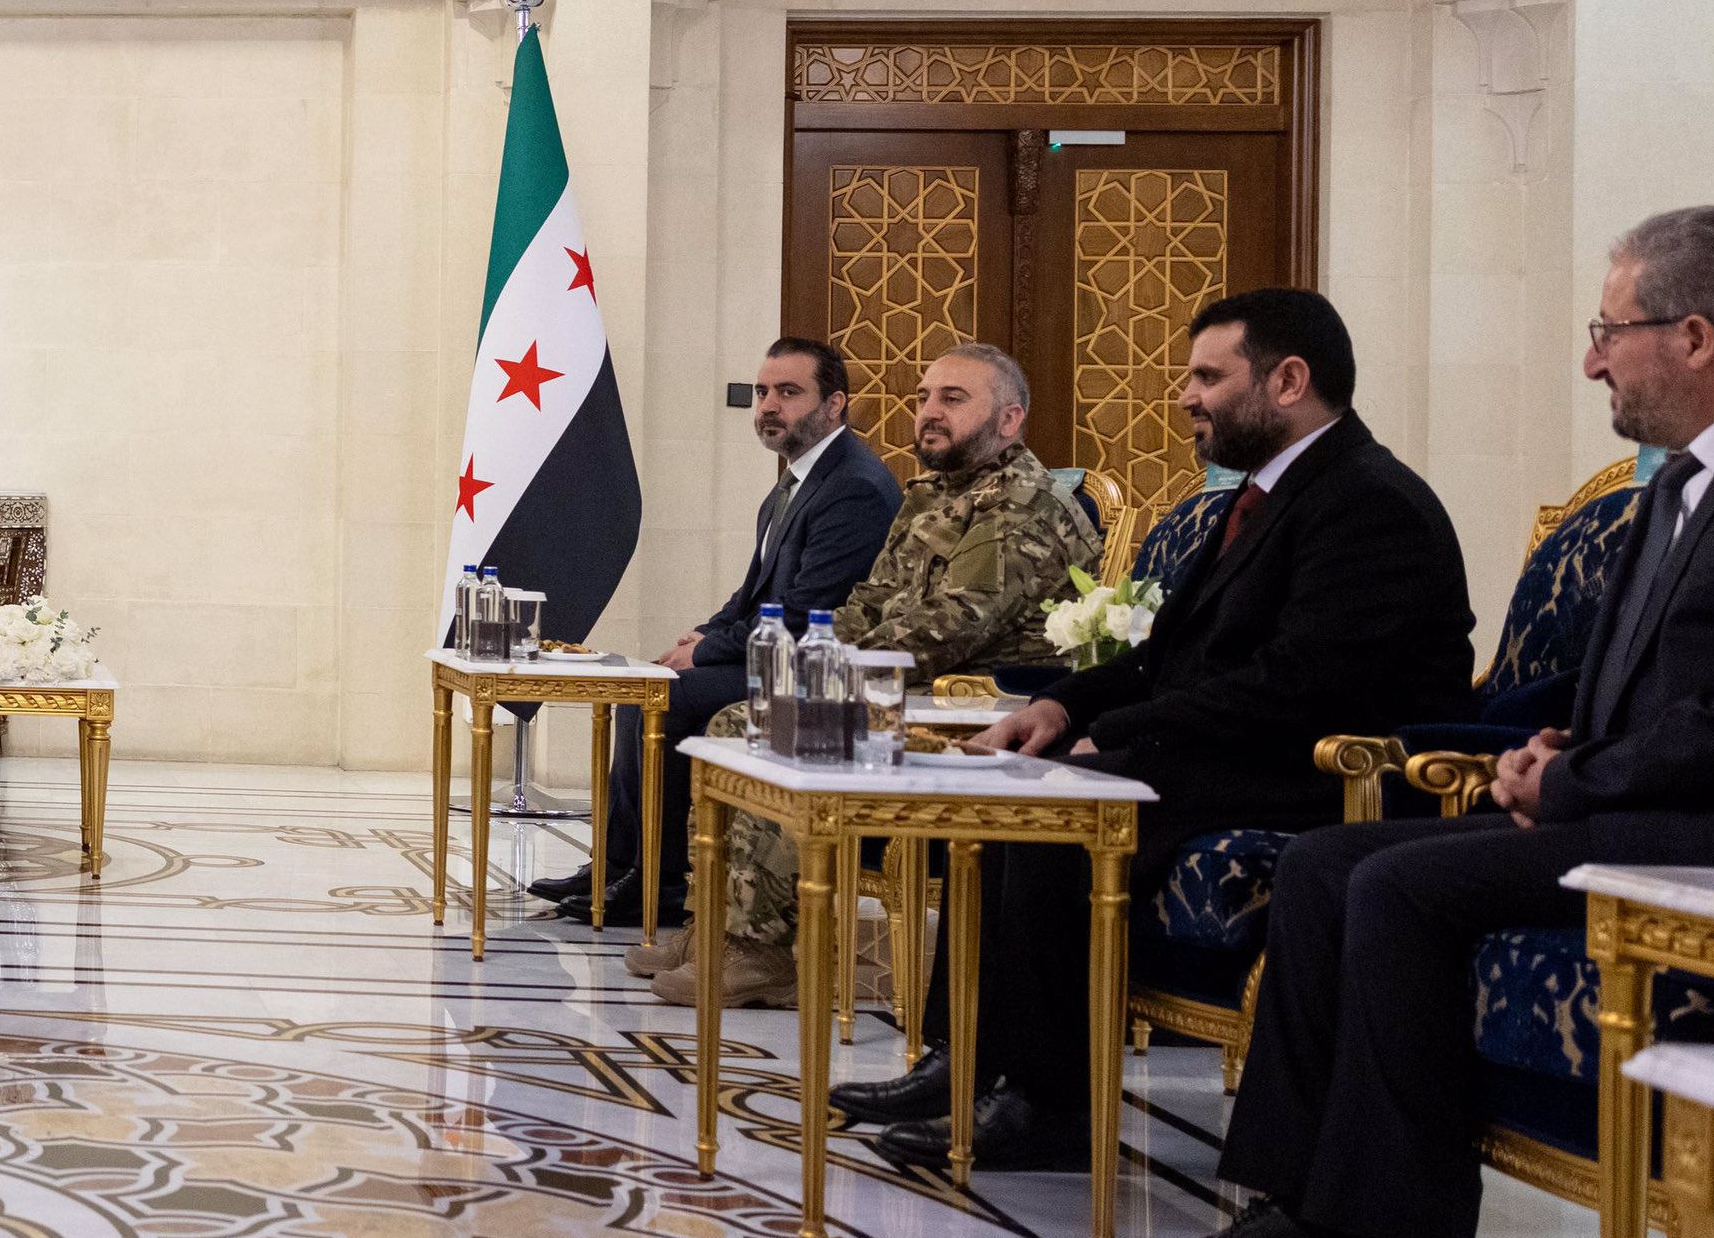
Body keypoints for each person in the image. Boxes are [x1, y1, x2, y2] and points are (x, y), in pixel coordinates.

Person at [1122, 207, 1714, 1238]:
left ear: (1694, 335)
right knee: (1325, 863)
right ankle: (1303, 1214)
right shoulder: (1693, 473)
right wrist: (1550, 745)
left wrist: (1581, 775)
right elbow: (1637, 675)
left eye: (1608, 331)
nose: (1590, 360)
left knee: (1399, 887)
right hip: (1633, 804)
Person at [857, 290, 1475, 1170]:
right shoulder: (1265, 496)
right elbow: (1167, 654)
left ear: (1288, 381)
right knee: (1002, 792)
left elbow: (1299, 685)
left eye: (1208, 377)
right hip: (1230, 750)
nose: (1185, 396)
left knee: (1052, 813)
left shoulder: (1370, 502)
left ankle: (1046, 1106)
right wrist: (1061, 706)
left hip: (1313, 772)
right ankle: (970, 1059)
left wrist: (1120, 737)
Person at [657, 343, 1098, 1009]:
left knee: (761, 723)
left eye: (953, 399)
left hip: (972, 712)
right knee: (738, 723)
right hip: (901, 692)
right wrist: (820, 652)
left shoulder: (1023, 505)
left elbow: (948, 629)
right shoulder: (931, 495)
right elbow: (868, 601)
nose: (929, 412)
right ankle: (718, 926)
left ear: (1010, 420)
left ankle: (761, 951)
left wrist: (825, 667)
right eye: (924, 398)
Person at [547, 337, 898, 925]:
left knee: (666, 699)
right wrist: (702, 636)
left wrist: (710, 650)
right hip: (773, 654)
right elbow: (752, 595)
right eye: (762, 392)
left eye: (788, 392)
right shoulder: (795, 483)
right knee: (648, 687)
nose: (769, 405)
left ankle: (662, 882)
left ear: (835, 403)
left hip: (818, 673)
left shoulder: (853, 486)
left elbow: (807, 611)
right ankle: (617, 864)